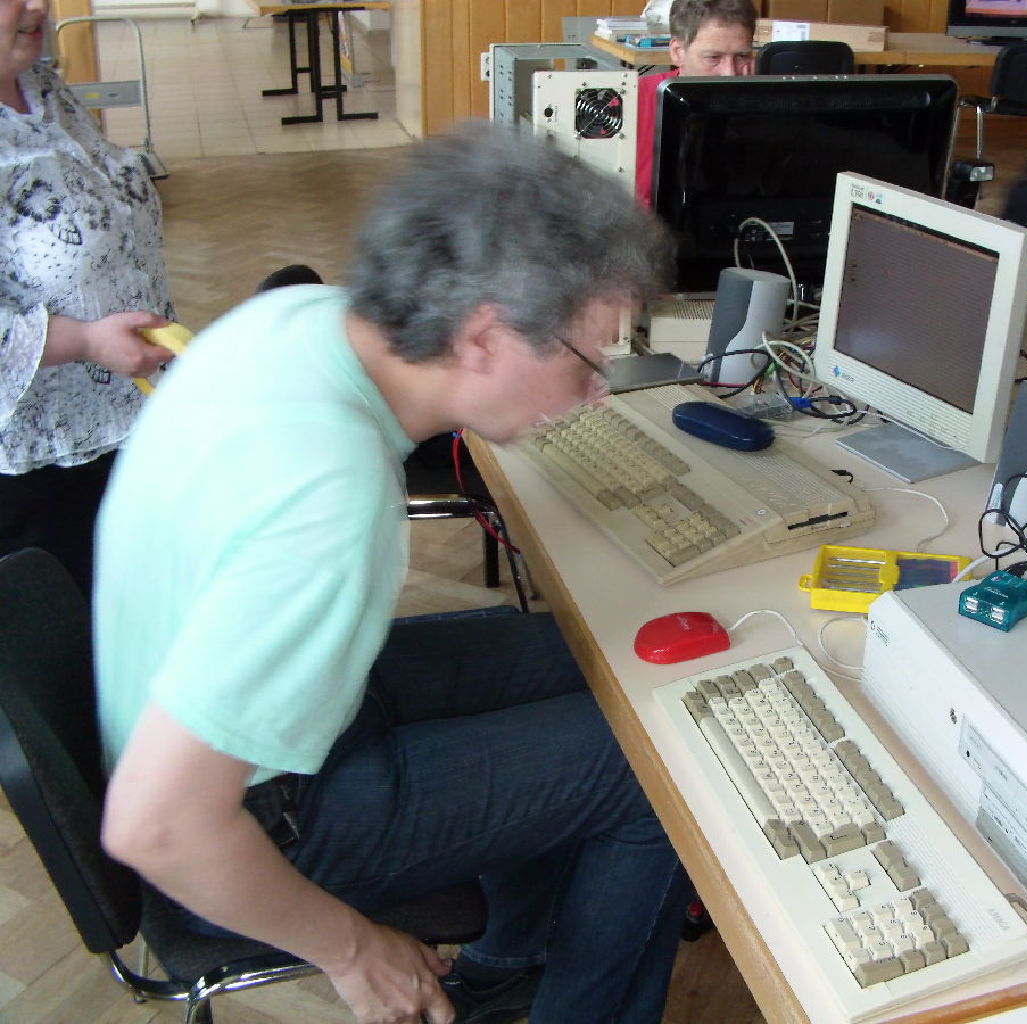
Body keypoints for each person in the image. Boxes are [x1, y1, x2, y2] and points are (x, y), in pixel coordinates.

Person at [95, 122, 687, 1024]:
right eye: (589, 359)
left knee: (588, 654)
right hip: (251, 822)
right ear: (484, 337)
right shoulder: (329, 499)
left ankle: (510, 964)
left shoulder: (296, 316)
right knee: (656, 765)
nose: (596, 392)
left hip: (243, 724)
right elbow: (156, 826)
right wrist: (353, 950)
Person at [0, 0, 178, 597]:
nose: (38, 5)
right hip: (40, 467)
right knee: (77, 637)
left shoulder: (41, 87)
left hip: (130, 423)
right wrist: (84, 341)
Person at [635, 0, 757, 207]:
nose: (730, 73)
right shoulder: (633, 101)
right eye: (713, 57)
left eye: (742, 56)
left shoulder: (771, 106)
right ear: (677, 52)